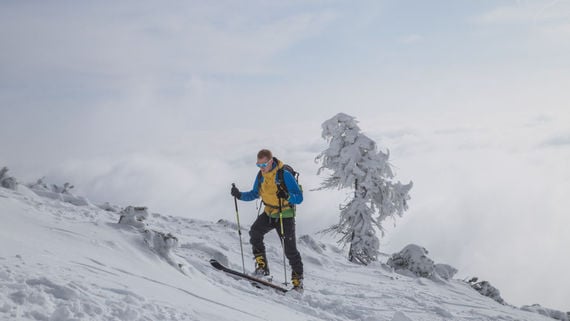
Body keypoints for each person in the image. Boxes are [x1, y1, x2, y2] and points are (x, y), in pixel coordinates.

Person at [230, 149, 304, 290]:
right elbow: (254, 194)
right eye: (259, 165)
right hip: (269, 212)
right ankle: (262, 268)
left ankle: (297, 282)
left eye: (264, 165)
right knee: (255, 233)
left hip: (285, 215)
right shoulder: (260, 176)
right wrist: (239, 195)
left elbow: (299, 198)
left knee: (290, 250)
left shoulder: (285, 175)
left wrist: (287, 196)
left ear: (270, 161)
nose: (261, 168)